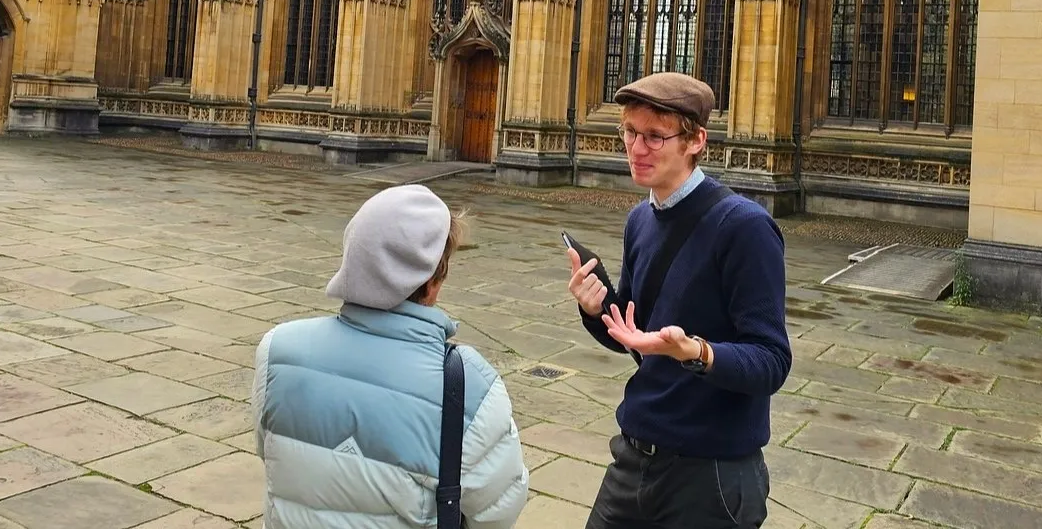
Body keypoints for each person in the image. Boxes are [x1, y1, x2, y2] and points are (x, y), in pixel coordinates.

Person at [566, 72, 791, 529]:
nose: (636, 148)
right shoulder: (640, 220)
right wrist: (595, 310)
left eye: (654, 136)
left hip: (710, 474)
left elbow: (771, 361)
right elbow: (638, 337)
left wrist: (698, 353)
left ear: (696, 141)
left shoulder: (744, 228)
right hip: (635, 455)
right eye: (629, 132)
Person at [252, 184, 529, 529]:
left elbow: (274, 457)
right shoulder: (469, 386)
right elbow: (497, 512)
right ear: (433, 282)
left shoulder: (278, 351)